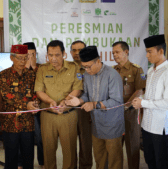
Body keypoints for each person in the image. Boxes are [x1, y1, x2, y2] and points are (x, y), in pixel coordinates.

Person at [66, 46, 124, 169]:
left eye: (89, 66)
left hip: (112, 124)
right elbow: (87, 95)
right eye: (84, 67)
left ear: (98, 61)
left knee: (114, 160)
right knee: (99, 158)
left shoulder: (112, 75)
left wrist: (94, 105)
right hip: (96, 124)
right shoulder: (87, 75)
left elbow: (116, 101)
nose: (86, 70)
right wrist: (79, 100)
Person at [132, 34, 168, 169]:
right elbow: (149, 96)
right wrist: (140, 100)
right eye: (146, 52)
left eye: (149, 52)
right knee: (149, 160)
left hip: (161, 127)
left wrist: (144, 103)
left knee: (162, 163)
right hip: (147, 125)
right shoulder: (151, 71)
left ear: (161, 51)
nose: (147, 55)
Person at [34, 40, 83, 169]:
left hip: (68, 114)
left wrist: (65, 101)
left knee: (70, 150)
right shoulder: (42, 69)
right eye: (50, 55)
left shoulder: (74, 67)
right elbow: (39, 90)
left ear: (64, 54)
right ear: (47, 55)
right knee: (48, 150)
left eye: (57, 55)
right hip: (48, 115)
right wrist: (50, 101)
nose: (53, 58)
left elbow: (77, 89)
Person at [0, 44, 39, 169]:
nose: (23, 61)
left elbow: (35, 93)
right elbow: (7, 96)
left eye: (25, 58)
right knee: (11, 159)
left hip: (28, 123)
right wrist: (27, 105)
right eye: (19, 58)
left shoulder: (31, 75)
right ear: (12, 58)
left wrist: (35, 104)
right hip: (11, 123)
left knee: (28, 158)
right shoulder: (4, 75)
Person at [112, 41, 146, 169]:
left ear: (126, 52)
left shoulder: (136, 69)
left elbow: (139, 90)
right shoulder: (112, 70)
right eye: (113, 53)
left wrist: (126, 106)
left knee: (132, 146)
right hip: (114, 114)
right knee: (115, 146)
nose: (115, 55)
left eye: (117, 52)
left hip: (130, 113)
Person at [16, 42, 44, 169]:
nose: (31, 57)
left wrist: (34, 69)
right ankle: (21, 163)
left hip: (40, 108)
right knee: (23, 138)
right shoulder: (18, 70)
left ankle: (43, 162)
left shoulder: (42, 68)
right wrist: (27, 69)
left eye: (33, 54)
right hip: (24, 108)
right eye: (28, 55)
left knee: (40, 137)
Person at [70, 40, 93, 169]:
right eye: (74, 50)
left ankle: (85, 166)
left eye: (80, 50)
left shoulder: (90, 67)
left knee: (86, 143)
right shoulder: (67, 67)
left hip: (86, 110)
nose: (77, 53)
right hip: (70, 110)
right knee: (70, 142)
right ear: (70, 52)